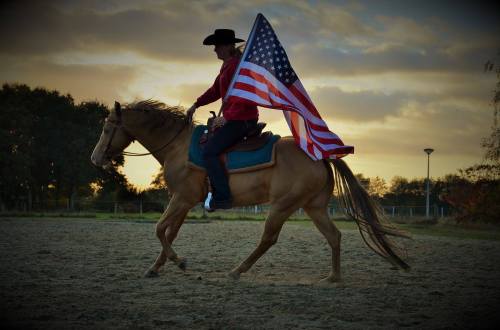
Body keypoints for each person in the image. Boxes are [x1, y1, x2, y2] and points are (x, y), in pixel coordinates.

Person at [186, 29, 259, 211]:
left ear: (226, 46)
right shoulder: (228, 65)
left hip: (242, 119)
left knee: (209, 152)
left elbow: (244, 98)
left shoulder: (236, 66)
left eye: (217, 46)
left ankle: (223, 197)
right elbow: (215, 90)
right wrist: (196, 104)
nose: (214, 50)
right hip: (235, 118)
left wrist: (226, 118)